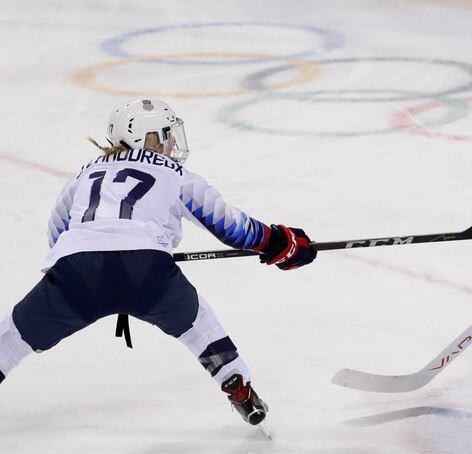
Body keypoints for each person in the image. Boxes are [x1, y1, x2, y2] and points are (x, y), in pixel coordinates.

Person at [0, 98, 316, 426]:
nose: (171, 143)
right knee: (199, 325)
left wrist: (90, 268)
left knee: (11, 337)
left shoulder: (86, 172)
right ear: (145, 138)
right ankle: (236, 383)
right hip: (147, 272)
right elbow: (230, 227)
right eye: (165, 135)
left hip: (78, 272)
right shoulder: (175, 173)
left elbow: (57, 232)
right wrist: (281, 242)